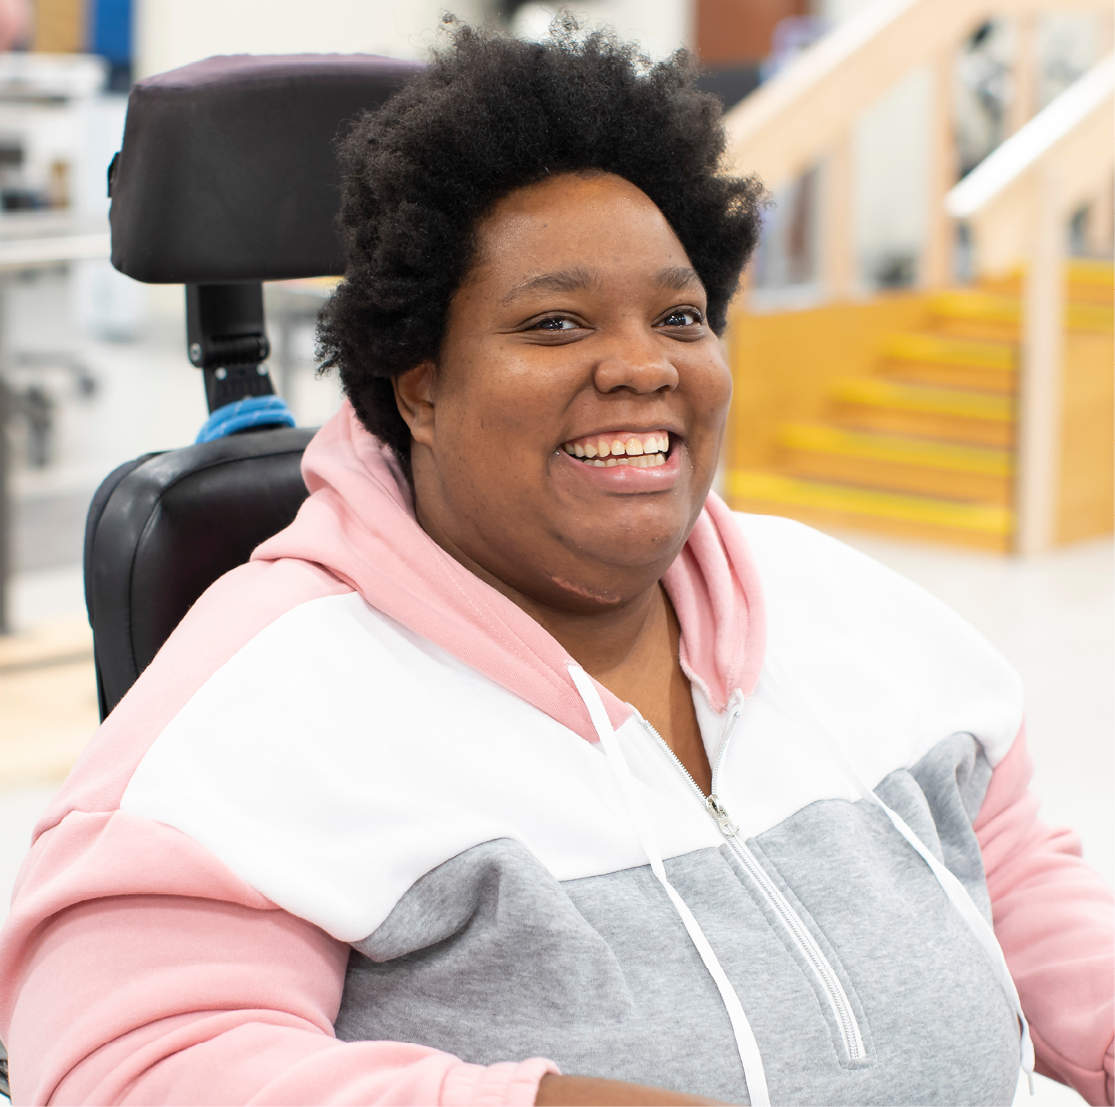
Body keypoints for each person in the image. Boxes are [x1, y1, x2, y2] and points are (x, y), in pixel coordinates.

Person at [0, 22, 1111, 1107]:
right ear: (419, 386)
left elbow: (1001, 867)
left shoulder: (847, 610)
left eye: (678, 314)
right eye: (554, 324)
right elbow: (123, 1065)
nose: (640, 364)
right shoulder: (261, 700)